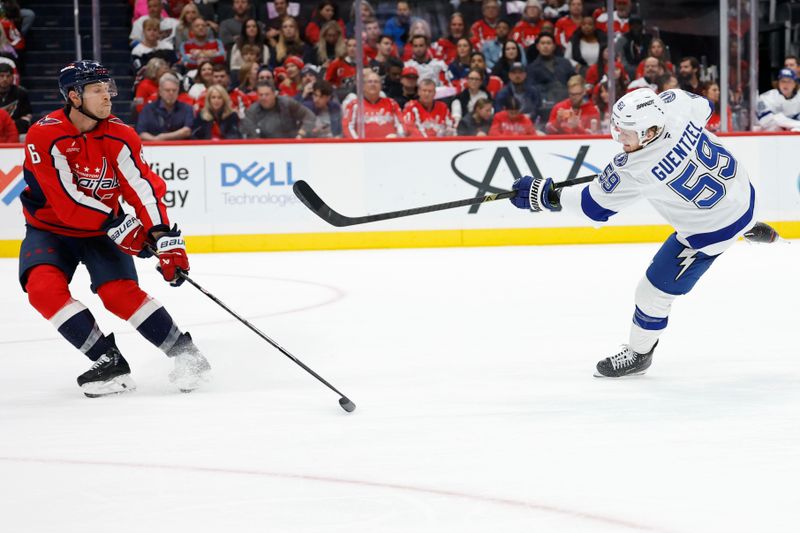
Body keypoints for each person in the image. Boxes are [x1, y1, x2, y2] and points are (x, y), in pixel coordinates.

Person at [509, 87, 764, 377]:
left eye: (626, 132)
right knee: (729, 209)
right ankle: (748, 226)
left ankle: (639, 354)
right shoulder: (677, 105)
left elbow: (591, 208)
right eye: (617, 129)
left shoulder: (634, 169)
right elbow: (704, 105)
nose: (619, 138)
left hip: (712, 231)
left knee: (651, 293)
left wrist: (543, 195)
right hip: (745, 195)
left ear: (649, 131)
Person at [19, 61, 210, 397]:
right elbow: (67, 201)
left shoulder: (121, 134)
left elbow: (142, 188)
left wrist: (162, 238)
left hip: (99, 231)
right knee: (43, 289)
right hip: (50, 229)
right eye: (97, 90)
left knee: (119, 294)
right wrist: (118, 224)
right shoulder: (44, 135)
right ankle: (108, 361)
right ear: (74, 97)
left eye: (108, 89)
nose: (107, 97)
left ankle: (187, 356)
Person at [240, 80, 314, 138]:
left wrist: (301, 134)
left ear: (274, 94)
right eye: (260, 95)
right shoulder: (252, 111)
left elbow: (309, 116)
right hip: (265, 148)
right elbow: (251, 135)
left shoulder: (287, 103)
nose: (263, 98)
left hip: (291, 144)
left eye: (267, 94)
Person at [342, 69, 404, 138]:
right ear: (363, 86)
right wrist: (358, 143)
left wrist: (398, 138)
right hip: (362, 146)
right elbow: (347, 127)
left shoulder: (391, 103)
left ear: (381, 86)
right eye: (369, 82)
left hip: (388, 145)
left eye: (376, 82)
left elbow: (401, 124)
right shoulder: (354, 105)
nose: (373, 84)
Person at [136, 73, 194, 141]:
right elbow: (141, 133)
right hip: (154, 148)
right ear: (160, 91)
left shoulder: (187, 108)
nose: (171, 93)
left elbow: (187, 131)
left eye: (174, 90)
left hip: (181, 148)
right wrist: (155, 140)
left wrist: (163, 137)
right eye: (167, 90)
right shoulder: (148, 109)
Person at [0, 61, 30, 134]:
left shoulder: (21, 93)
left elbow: (26, 119)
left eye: (8, 76)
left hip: (16, 131)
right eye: (1, 76)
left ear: (13, 77)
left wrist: (8, 125)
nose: (5, 79)